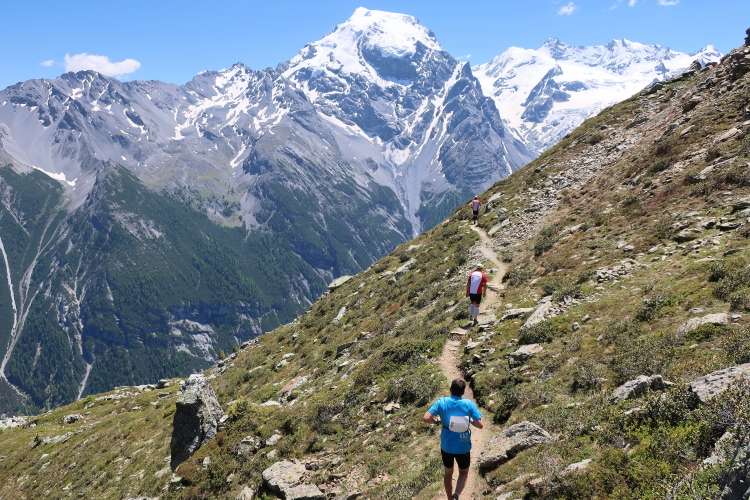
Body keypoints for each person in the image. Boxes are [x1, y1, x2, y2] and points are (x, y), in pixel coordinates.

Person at [423, 378, 483, 500]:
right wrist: (469, 420)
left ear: (450, 389)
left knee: (448, 472)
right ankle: (456, 495)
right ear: (463, 391)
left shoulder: (442, 401)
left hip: (446, 445)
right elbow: (480, 425)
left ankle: (449, 498)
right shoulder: (469, 404)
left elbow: (426, 418)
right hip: (463, 445)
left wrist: (437, 421)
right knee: (464, 472)